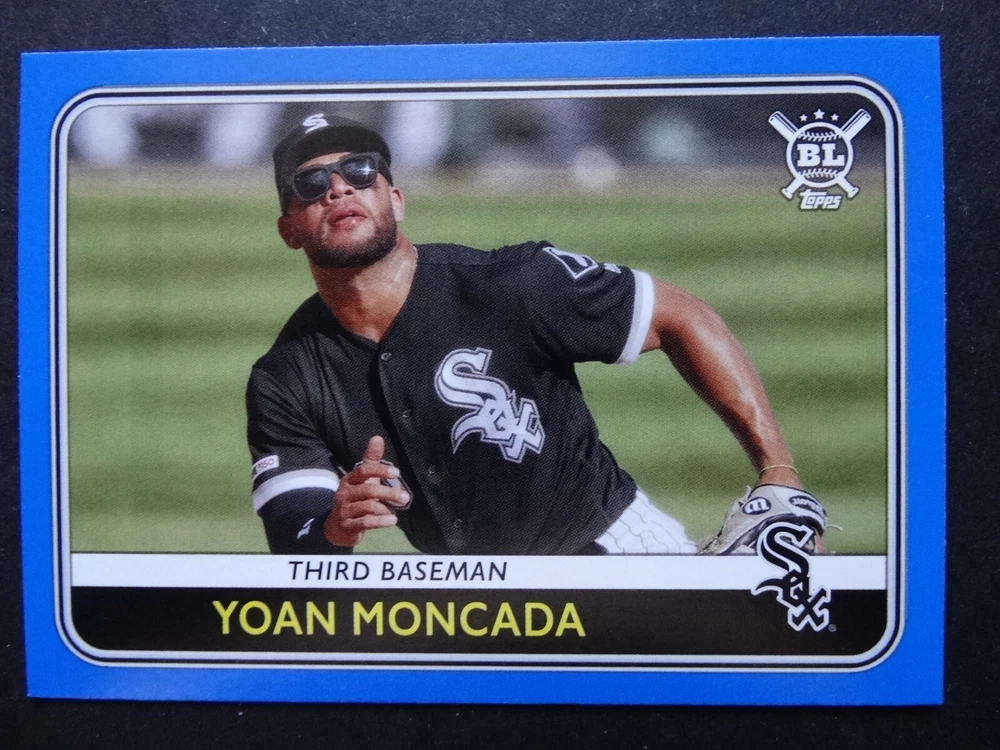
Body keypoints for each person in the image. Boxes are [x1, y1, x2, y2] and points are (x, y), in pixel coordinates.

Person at [246, 112, 825, 556]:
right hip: (479, 602)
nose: (339, 188)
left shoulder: (513, 283)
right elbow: (294, 541)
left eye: (360, 171)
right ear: (288, 229)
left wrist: (778, 473)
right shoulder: (285, 376)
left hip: (615, 551)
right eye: (311, 182)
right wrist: (334, 526)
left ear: (395, 200)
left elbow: (683, 316)